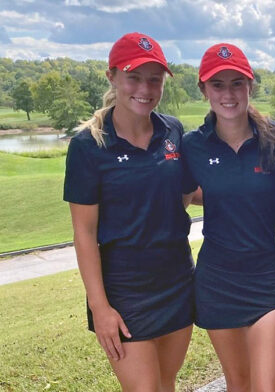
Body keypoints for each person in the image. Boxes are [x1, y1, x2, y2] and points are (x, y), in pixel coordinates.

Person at [63, 32, 194, 391]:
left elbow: (186, 193)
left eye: (154, 78)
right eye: (134, 76)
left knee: (166, 383)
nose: (145, 87)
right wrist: (100, 307)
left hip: (177, 280)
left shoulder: (173, 130)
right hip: (125, 292)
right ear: (112, 77)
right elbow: (84, 234)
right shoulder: (89, 145)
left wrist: (245, 191)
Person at [180, 43, 275, 391]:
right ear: (203, 89)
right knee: (238, 383)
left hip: (269, 278)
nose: (228, 94)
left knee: (265, 386)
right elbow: (186, 195)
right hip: (218, 280)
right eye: (218, 85)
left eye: (237, 83)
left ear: (251, 86)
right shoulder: (193, 145)